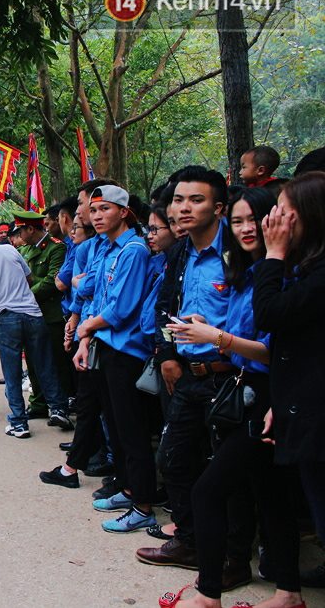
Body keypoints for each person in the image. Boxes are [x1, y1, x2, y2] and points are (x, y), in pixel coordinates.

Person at [156, 187, 296, 608]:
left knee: (212, 490)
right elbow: (240, 340)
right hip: (247, 390)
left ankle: (207, 592)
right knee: (270, 492)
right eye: (238, 222)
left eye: (256, 219)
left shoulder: (283, 272)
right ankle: (288, 592)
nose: (248, 228)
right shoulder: (248, 274)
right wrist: (203, 331)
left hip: (274, 394)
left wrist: (218, 337)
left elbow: (274, 348)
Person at [141, 167, 231, 571]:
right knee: (174, 459)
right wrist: (167, 356)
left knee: (227, 472)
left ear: (219, 206)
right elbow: (165, 307)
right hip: (186, 377)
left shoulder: (240, 252)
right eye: (179, 200)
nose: (184, 208)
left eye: (196, 200)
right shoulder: (178, 252)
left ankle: (232, 556)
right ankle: (190, 541)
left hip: (230, 377)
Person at [253, 172, 325, 605]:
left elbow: (270, 314)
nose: (271, 221)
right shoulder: (308, 268)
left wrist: (273, 255)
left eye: (283, 212)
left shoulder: (317, 275)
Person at [68, 185, 157, 534]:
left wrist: (87, 326)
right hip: (103, 344)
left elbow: (120, 308)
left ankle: (144, 504)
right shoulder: (106, 248)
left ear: (124, 212)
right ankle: (128, 489)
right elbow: (88, 288)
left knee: (132, 430)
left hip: (125, 351)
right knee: (116, 428)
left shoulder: (134, 250)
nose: (97, 215)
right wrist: (86, 337)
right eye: (94, 210)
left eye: (105, 209)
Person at [0, 220, 73, 439]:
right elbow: (29, 278)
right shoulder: (10, 251)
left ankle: (19, 423)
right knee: (44, 364)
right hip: (33, 314)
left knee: (12, 372)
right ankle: (59, 409)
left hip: (5, 319)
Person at [13, 210, 70, 417]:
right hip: (29, 313)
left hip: (51, 314)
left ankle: (61, 404)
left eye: (20, 229)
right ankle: (38, 403)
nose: (18, 234)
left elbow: (51, 283)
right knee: (33, 361)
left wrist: (25, 295)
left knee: (55, 361)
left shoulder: (56, 248)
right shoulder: (25, 251)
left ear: (30, 229)